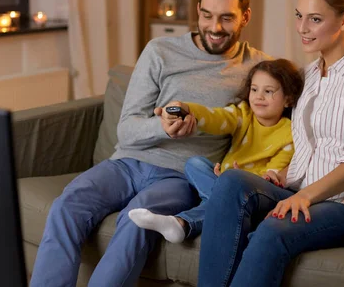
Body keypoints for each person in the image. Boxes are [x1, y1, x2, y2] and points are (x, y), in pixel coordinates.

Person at [29, 0, 270, 287]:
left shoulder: (257, 69)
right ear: (197, 9)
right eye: (207, 15)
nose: (214, 27)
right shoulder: (161, 52)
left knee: (137, 219)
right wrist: (163, 127)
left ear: (245, 17)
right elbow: (126, 130)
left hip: (180, 175)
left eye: (226, 18)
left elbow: (273, 121)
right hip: (127, 163)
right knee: (66, 206)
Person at [197, 0, 344, 287]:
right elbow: (307, 148)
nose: (302, 29)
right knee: (230, 182)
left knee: (273, 228)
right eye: (299, 16)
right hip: (297, 190)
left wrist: (306, 196)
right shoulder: (306, 76)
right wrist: (280, 177)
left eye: (315, 19)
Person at [128, 59, 305, 243]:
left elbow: (272, 176)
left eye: (268, 91)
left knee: (227, 193)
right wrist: (186, 109)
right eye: (254, 89)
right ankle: (190, 221)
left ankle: (183, 222)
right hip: (222, 181)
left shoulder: (289, 134)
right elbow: (216, 118)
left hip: (251, 191)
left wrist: (240, 177)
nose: (258, 96)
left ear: (288, 99)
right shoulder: (243, 114)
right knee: (194, 163)